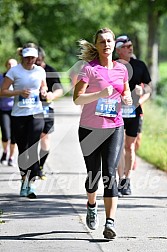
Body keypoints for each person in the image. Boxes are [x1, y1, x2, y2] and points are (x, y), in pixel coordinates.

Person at [73, 28, 132, 239]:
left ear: (114, 43)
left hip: (114, 127)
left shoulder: (122, 69)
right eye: (102, 42)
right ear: (96, 46)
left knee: (110, 173)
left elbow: (125, 91)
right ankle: (91, 204)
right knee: (93, 176)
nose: (106, 45)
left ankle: (110, 222)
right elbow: (77, 99)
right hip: (89, 129)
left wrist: (127, 98)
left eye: (109, 41)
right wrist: (98, 94)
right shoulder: (89, 69)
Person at [1, 43, 48, 199]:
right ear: (22, 57)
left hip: (36, 113)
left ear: (36, 58)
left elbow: (44, 87)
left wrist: (43, 91)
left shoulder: (40, 71)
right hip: (19, 115)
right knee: (23, 149)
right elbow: (3, 92)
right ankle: (24, 181)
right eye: (27, 58)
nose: (29, 61)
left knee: (32, 148)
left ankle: (32, 183)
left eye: (32, 58)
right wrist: (19, 92)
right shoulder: (14, 71)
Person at [115, 35, 152, 196]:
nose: (130, 48)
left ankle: (127, 180)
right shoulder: (113, 66)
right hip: (115, 111)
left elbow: (149, 88)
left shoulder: (140, 65)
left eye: (131, 45)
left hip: (134, 112)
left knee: (129, 146)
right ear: (118, 50)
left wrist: (142, 93)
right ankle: (120, 179)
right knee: (118, 146)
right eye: (126, 46)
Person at [35, 47, 63, 179]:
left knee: (45, 139)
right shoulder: (28, 71)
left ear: (43, 59)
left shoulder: (50, 71)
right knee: (32, 139)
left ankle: (40, 166)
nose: (36, 63)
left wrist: (52, 95)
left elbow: (60, 90)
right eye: (35, 61)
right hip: (30, 109)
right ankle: (32, 167)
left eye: (39, 61)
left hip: (47, 108)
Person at [0, 59, 17, 166]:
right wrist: (8, 93)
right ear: (6, 65)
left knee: (14, 136)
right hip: (3, 110)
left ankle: (11, 157)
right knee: (6, 134)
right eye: (9, 64)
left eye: (13, 65)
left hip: (16, 110)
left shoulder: (19, 78)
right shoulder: (2, 78)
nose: (11, 66)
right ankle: (5, 151)